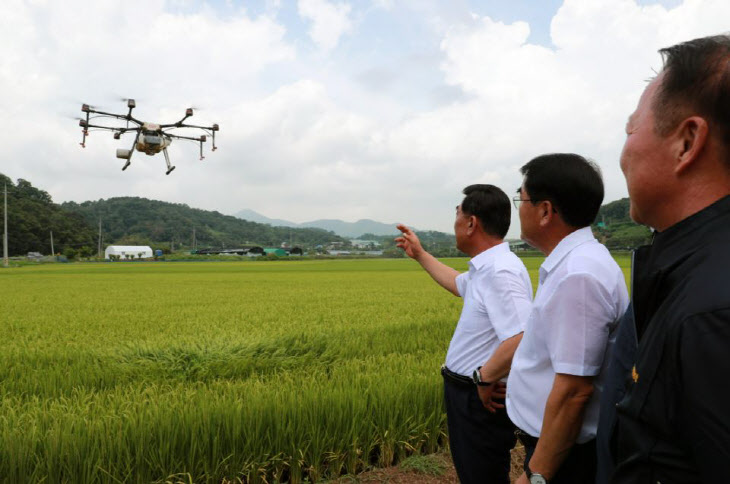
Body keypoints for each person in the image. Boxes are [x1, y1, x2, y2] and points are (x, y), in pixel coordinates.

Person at [596, 34, 730, 483]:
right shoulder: (693, 272)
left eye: (631, 129)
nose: (624, 153)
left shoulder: (711, 315)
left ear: (687, 141)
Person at [396, 184, 532, 484]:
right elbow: (458, 283)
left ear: (471, 223)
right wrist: (420, 254)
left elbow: (522, 334)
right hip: (470, 393)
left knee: (482, 475)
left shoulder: (500, 271)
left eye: (457, 214)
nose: (454, 223)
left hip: (479, 397)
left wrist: (484, 377)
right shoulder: (488, 268)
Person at [506, 153, 629, 484]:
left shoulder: (579, 276)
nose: (519, 208)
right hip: (563, 447)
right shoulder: (576, 264)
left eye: (522, 198)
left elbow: (574, 390)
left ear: (545, 211)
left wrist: (536, 475)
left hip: (567, 458)